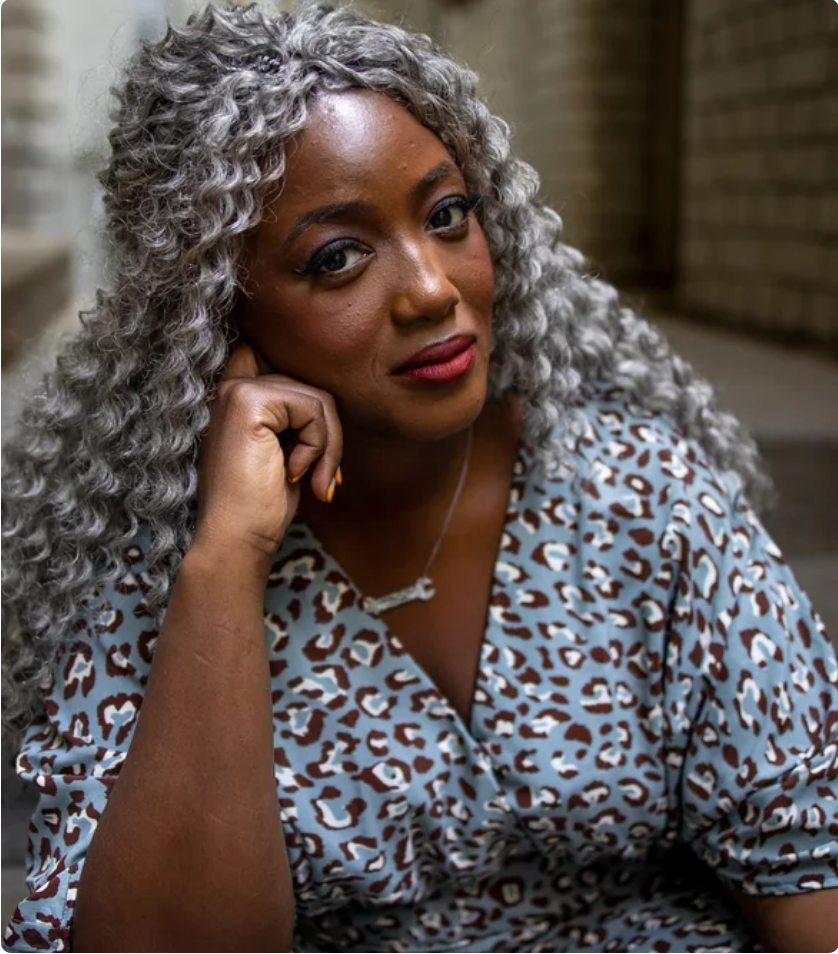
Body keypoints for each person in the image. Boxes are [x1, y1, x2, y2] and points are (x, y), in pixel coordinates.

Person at [2, 2, 836, 951]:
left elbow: (806, 869)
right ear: (212, 314)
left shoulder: (640, 496)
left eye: (447, 216)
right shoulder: (161, 575)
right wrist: (229, 558)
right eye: (338, 257)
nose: (432, 288)